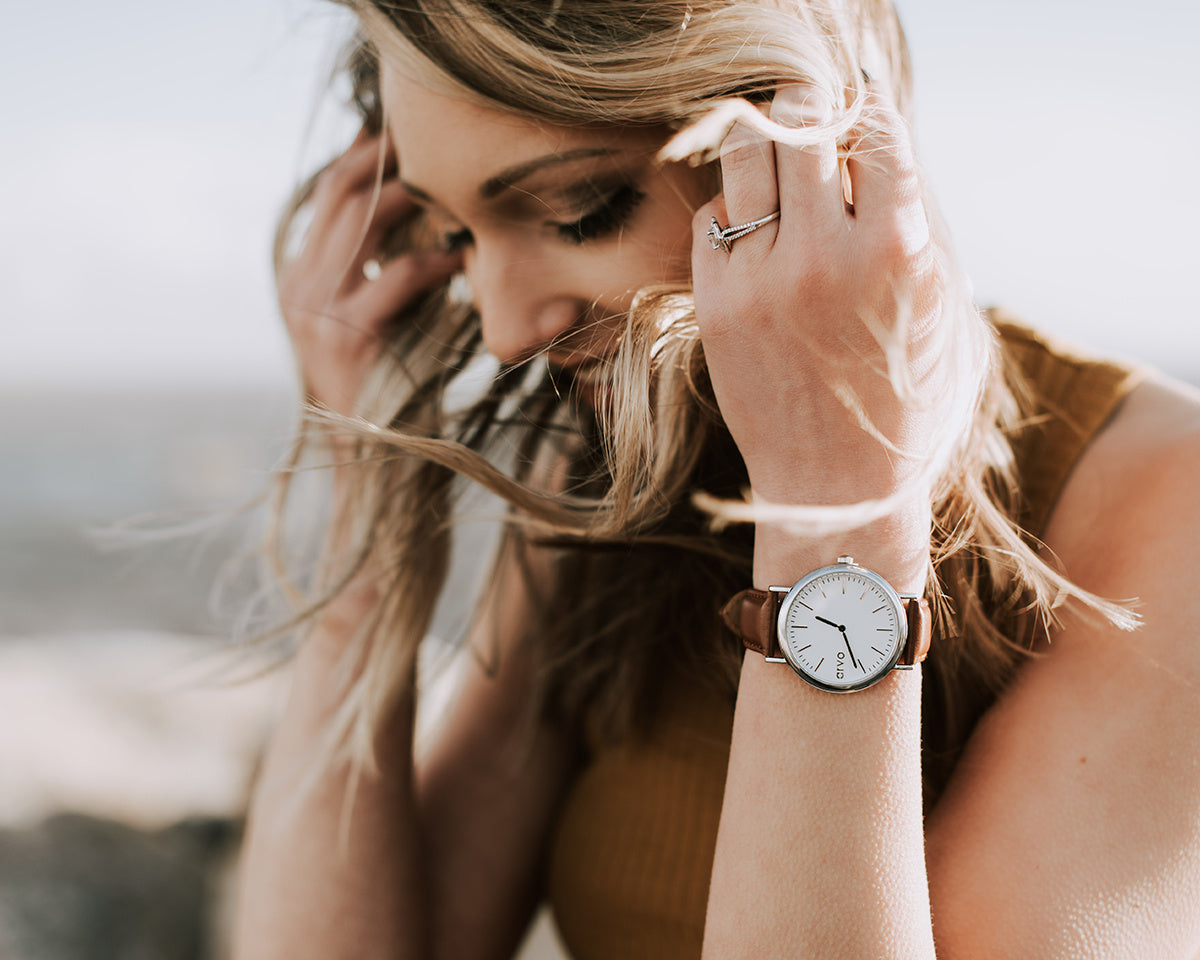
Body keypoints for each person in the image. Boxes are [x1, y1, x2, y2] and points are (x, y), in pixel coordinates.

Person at [231, 1, 1200, 957]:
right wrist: (369, 527)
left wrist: (836, 506)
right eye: (458, 239)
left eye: (580, 211)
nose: (502, 326)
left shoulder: (1169, 489)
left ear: (810, 145)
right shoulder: (619, 468)